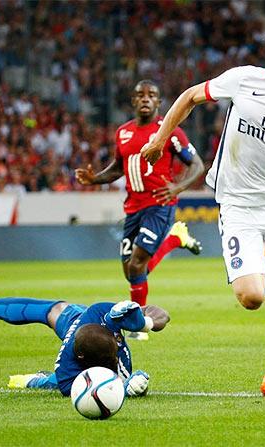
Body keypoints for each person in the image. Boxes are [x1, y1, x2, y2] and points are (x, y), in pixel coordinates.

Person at [141, 18, 265, 398]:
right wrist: (161, 138)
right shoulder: (244, 79)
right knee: (252, 298)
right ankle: (263, 262)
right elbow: (190, 97)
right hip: (239, 204)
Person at [75, 80, 205, 340]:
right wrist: (94, 179)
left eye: (152, 95)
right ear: (133, 101)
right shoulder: (123, 132)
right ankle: (175, 240)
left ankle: (139, 324)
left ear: (159, 102)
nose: (145, 99)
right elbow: (117, 167)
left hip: (159, 206)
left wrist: (177, 188)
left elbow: (198, 165)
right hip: (133, 208)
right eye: (140, 95)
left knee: (136, 266)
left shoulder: (169, 131)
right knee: (131, 271)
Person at [0, 286, 170, 397]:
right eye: (112, 353)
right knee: (51, 383)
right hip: (75, 332)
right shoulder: (67, 370)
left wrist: (146, 322)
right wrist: (127, 387)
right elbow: (75, 387)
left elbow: (163, 316)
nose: (118, 349)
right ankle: (30, 380)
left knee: (53, 310)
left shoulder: (104, 315)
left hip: (80, 318)